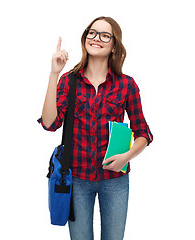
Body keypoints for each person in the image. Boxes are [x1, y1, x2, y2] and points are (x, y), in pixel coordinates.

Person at [38, 16, 153, 240]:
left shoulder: (126, 85)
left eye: (104, 35)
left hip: (115, 180)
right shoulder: (69, 81)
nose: (96, 38)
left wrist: (126, 157)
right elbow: (50, 123)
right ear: (85, 38)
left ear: (114, 46)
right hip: (77, 179)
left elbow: (143, 133)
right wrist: (54, 74)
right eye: (92, 32)